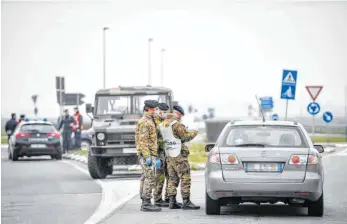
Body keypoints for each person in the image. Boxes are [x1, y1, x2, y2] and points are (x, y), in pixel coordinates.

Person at [159, 105, 200, 210]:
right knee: (185, 177)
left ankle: (172, 201)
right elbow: (185, 137)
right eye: (180, 115)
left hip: (169, 155)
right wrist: (194, 132)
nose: (180, 117)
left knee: (172, 178)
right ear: (177, 113)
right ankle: (186, 201)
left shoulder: (163, 124)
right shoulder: (176, 124)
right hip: (179, 155)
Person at [136, 100, 162, 212]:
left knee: (145, 176)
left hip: (150, 154)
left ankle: (144, 200)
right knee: (150, 177)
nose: (155, 111)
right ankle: (146, 203)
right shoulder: (145, 122)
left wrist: (155, 156)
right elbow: (143, 141)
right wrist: (147, 157)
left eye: (155, 109)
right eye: (153, 109)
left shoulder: (150, 120)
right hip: (146, 154)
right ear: (148, 109)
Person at [152, 102, 170, 207]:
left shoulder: (165, 121)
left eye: (166, 112)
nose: (165, 114)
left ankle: (168, 197)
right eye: (164, 112)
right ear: (159, 111)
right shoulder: (155, 122)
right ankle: (157, 199)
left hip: (167, 152)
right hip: (159, 153)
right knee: (159, 176)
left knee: (169, 175)